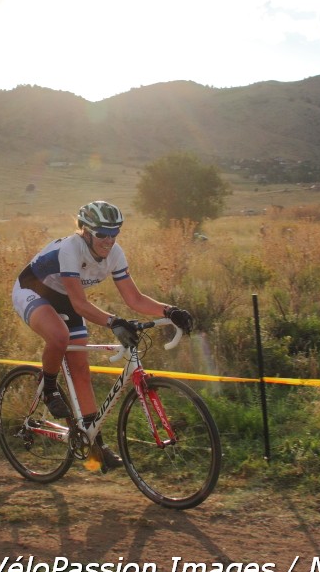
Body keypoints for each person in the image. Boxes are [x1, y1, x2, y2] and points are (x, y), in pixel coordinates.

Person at [11, 201, 194, 471]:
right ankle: (48, 387)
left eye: (114, 233)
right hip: (33, 290)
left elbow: (134, 298)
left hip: (66, 299)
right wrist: (113, 322)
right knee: (59, 337)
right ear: (85, 231)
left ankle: (96, 444)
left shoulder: (115, 253)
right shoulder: (71, 249)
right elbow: (80, 304)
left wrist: (170, 311)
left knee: (81, 370)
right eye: (102, 234)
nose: (109, 240)